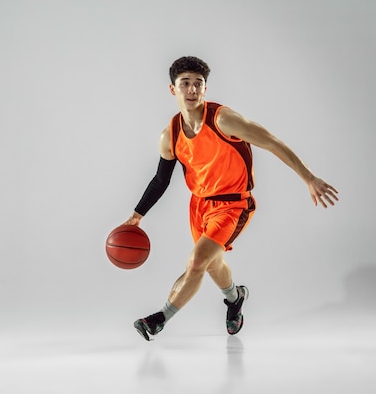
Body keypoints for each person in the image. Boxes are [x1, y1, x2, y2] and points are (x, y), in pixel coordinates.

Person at [125, 56, 338, 341]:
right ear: (172, 89)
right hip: (199, 206)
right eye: (184, 83)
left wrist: (309, 177)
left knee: (196, 262)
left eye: (197, 84)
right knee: (212, 264)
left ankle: (159, 318)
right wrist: (138, 215)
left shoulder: (223, 120)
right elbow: (160, 180)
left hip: (234, 205)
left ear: (205, 89)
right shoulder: (170, 135)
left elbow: (272, 142)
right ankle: (235, 297)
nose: (191, 90)